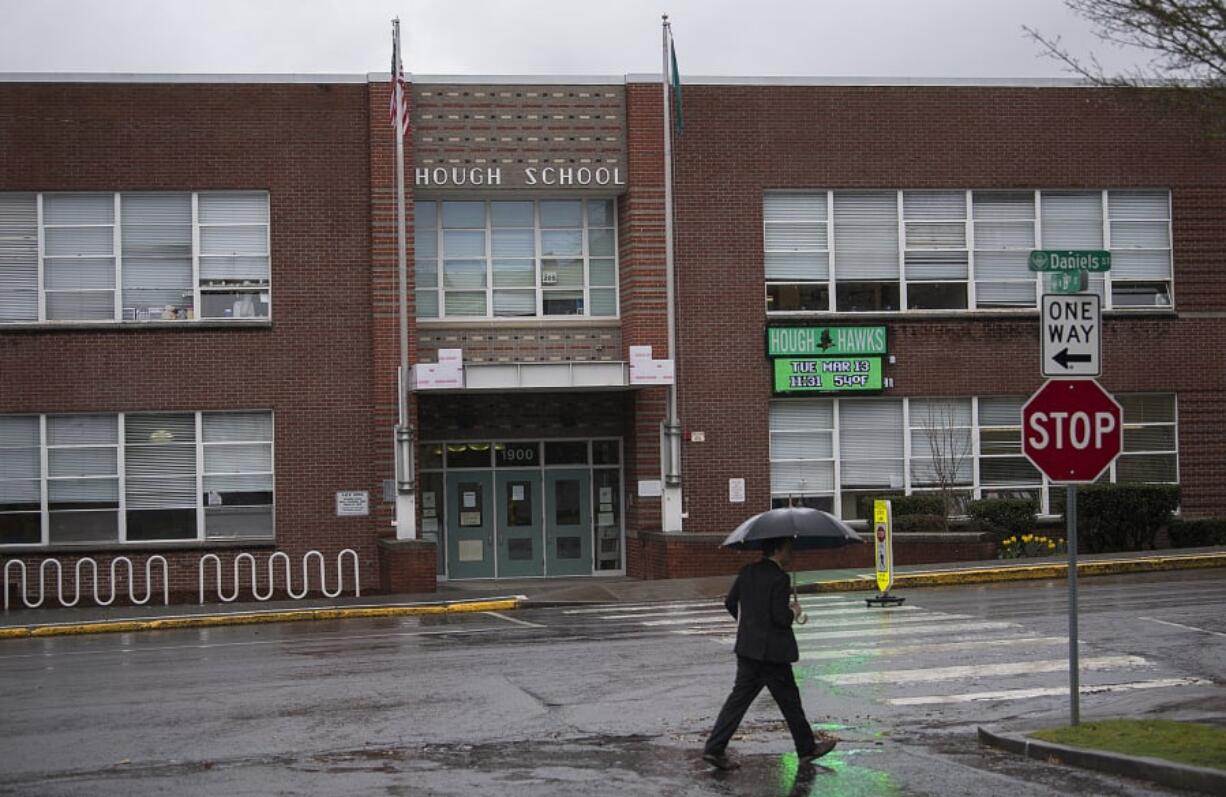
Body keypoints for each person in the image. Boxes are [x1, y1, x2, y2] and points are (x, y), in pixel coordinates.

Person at [702, 536, 836, 770]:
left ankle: (714, 748)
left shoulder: (747, 572)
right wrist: (793, 611)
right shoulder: (779, 578)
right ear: (777, 550)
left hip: (748, 650)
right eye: (788, 549)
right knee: (790, 701)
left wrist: (749, 626)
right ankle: (806, 749)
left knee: (738, 701)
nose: (791, 554)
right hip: (772, 655)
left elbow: (730, 602)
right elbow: (780, 619)